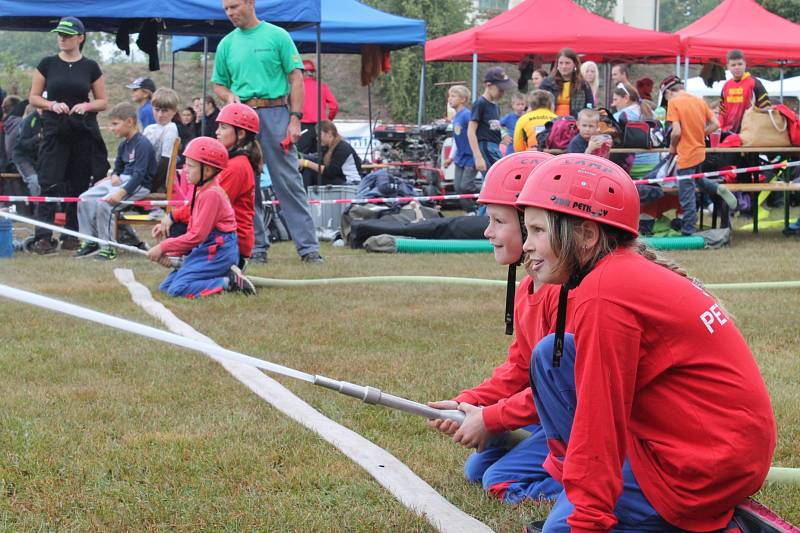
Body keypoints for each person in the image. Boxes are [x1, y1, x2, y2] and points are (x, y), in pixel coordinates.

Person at [515, 153, 776, 533]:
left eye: (538, 231)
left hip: (703, 467)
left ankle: (714, 522)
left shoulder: (606, 293)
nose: (526, 245)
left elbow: (599, 423)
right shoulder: (617, 274)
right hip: (716, 446)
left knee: (562, 529)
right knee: (552, 356)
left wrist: (586, 522)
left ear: (587, 235)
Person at [428, 151, 563, 505]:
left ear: (534, 221)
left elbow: (564, 391)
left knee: (498, 480)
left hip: (576, 419)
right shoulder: (527, 290)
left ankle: (581, 485)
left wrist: (491, 418)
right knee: (476, 472)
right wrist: (469, 403)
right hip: (556, 414)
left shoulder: (563, 294)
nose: (488, 232)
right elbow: (520, 367)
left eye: (497, 220)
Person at [212, 0, 323, 264]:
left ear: (250, 3)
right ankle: (255, 248)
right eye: (226, 9)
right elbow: (218, 83)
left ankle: (309, 250)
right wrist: (229, 95)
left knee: (288, 182)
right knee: (244, 184)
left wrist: (295, 119)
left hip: (275, 113)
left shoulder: (277, 35)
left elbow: (296, 77)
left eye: (235, 6)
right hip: (242, 119)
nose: (230, 13)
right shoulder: (226, 43)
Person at [28, 16, 109, 255]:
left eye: (67, 35)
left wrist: (86, 106)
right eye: (59, 34)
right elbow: (33, 97)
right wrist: (51, 104)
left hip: (81, 131)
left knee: (79, 183)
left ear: (80, 38)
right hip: (54, 131)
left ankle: (72, 235)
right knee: (49, 181)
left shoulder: (91, 66)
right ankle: (43, 237)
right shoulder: (47, 64)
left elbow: (102, 101)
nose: (62, 38)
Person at [148, 136, 256, 297]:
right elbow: (193, 229)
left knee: (177, 290)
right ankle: (222, 276)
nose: (185, 170)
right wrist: (173, 256)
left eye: (191, 166)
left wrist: (164, 247)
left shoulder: (211, 194)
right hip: (208, 248)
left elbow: (197, 235)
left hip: (218, 251)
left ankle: (228, 282)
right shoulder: (203, 190)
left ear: (207, 171)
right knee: (165, 287)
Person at [155, 102, 258, 270]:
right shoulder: (233, 162)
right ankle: (188, 266)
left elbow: (205, 207)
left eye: (223, 128)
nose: (217, 132)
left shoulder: (236, 167)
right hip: (224, 237)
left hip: (230, 243)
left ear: (240, 133)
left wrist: (172, 217)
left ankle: (213, 270)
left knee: (178, 227)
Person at [74, 103, 155, 260]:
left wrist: (120, 193)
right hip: (120, 181)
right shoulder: (123, 144)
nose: (111, 128)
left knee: (105, 204)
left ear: (130, 122)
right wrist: (115, 175)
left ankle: (108, 247)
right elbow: (118, 167)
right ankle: (90, 241)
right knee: (84, 198)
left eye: (115, 124)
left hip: (137, 185)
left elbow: (139, 175)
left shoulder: (142, 144)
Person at [660, 75, 737, 235]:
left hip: (686, 154)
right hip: (700, 151)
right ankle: (718, 188)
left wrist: (673, 147)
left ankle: (688, 231)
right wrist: (700, 135)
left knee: (686, 195)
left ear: (668, 93)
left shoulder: (674, 103)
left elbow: (676, 132)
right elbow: (716, 124)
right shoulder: (699, 101)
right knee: (698, 180)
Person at [468, 66, 515, 175]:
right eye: (500, 89)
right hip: (485, 147)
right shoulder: (480, 104)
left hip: (495, 147)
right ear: (489, 85)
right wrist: (478, 157)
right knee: (497, 177)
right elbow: (471, 131)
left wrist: (502, 135)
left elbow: (493, 125)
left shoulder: (495, 106)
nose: (502, 93)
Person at [611, 82, 659, 178]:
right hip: (654, 166)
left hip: (630, 168)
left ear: (626, 98)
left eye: (615, 99)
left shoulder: (618, 117)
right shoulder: (652, 113)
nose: (613, 104)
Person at [443, 85, 478, 213]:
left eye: (453, 96)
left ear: (462, 99)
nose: (450, 99)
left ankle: (486, 193)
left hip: (471, 157)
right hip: (460, 158)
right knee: (458, 188)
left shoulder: (467, 115)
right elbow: (456, 140)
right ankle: (470, 212)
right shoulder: (456, 117)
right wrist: (450, 158)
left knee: (466, 186)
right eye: (449, 96)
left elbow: (475, 133)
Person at [718, 49, 770, 134]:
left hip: (749, 133)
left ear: (745, 64)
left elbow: (766, 108)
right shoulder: (726, 86)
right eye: (733, 65)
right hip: (728, 133)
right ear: (728, 66)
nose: (737, 67)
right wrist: (720, 129)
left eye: (740, 64)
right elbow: (722, 112)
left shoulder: (755, 83)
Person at [298, 120, 362, 187]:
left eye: (319, 135)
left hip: (351, 183)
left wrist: (306, 163)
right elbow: (318, 161)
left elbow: (330, 172)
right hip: (340, 179)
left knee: (310, 171)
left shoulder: (342, 147)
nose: (317, 139)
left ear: (329, 133)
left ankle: (304, 195)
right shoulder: (328, 147)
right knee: (309, 171)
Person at [297, 59, 339, 155]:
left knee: (302, 155)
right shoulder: (322, 86)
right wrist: (329, 120)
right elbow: (334, 106)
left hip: (303, 126)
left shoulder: (297, 87)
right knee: (323, 156)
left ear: (302, 73)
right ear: (313, 73)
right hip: (321, 127)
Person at [142, 88, 180, 192]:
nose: (160, 115)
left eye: (165, 111)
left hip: (159, 182)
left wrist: (150, 187)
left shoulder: (170, 128)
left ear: (174, 111)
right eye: (157, 109)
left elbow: (165, 163)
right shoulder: (149, 129)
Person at [540, 49, 594, 118]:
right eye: (561, 63)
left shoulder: (583, 85)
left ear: (575, 64)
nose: (564, 66)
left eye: (567, 63)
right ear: (557, 64)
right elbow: (538, 106)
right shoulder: (547, 84)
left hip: (575, 123)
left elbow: (590, 107)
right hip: (551, 123)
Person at [12, 104, 43, 199]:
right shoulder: (29, 120)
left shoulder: (49, 120)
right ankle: (38, 207)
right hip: (23, 158)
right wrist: (37, 137)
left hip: (39, 158)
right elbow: (22, 143)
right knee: (34, 181)